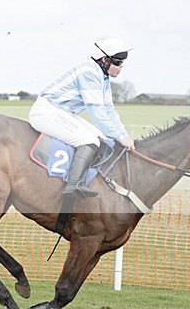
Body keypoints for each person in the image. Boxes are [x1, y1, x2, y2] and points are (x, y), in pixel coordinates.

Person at [29, 37, 136, 198]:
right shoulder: (90, 72)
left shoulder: (103, 76)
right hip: (46, 111)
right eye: (118, 62)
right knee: (89, 141)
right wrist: (121, 137)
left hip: (61, 112)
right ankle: (73, 185)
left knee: (101, 138)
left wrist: (124, 135)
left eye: (122, 63)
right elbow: (98, 114)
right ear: (105, 60)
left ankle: (85, 179)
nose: (121, 67)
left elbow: (109, 110)